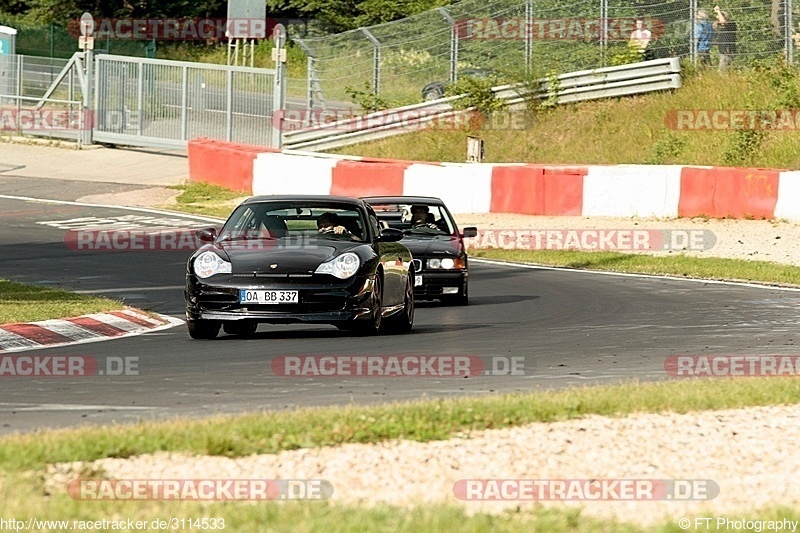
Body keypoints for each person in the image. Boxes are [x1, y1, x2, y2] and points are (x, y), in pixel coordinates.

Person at [713, 6, 736, 72]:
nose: (718, 19)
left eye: (719, 17)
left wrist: (718, 11)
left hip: (728, 50)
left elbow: (723, 21)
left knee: (722, 70)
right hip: (722, 50)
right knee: (724, 68)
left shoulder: (731, 24)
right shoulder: (721, 26)